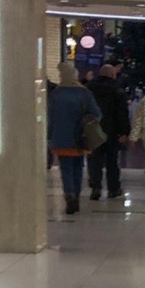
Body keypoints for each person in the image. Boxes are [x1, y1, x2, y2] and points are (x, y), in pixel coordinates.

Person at [46, 63, 102, 215]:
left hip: (61, 137)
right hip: (81, 136)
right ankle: (76, 195)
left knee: (66, 168)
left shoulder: (56, 94)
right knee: (78, 167)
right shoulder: (85, 93)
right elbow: (97, 114)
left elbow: (50, 117)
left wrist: (49, 136)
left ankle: (69, 194)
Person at [85, 63, 131, 201]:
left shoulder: (89, 88)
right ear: (112, 75)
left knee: (94, 160)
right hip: (113, 131)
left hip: (94, 129)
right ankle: (113, 189)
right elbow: (122, 113)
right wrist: (125, 131)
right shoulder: (118, 90)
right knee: (112, 161)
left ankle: (95, 187)